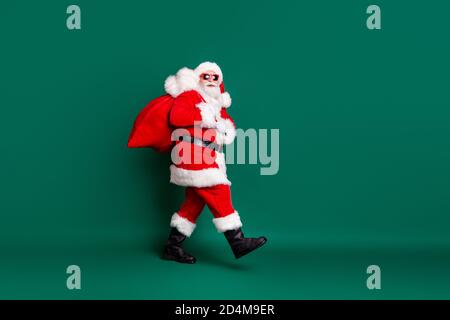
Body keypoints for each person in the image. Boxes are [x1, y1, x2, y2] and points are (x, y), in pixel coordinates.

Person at [162, 62, 267, 264]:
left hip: (208, 155)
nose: (210, 80)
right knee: (219, 189)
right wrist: (206, 117)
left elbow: (227, 124)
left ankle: (172, 247)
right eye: (206, 76)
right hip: (191, 152)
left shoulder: (214, 102)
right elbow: (176, 117)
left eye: (214, 77)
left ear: (220, 81)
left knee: (194, 202)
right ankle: (238, 242)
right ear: (198, 78)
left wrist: (224, 126)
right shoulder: (191, 95)